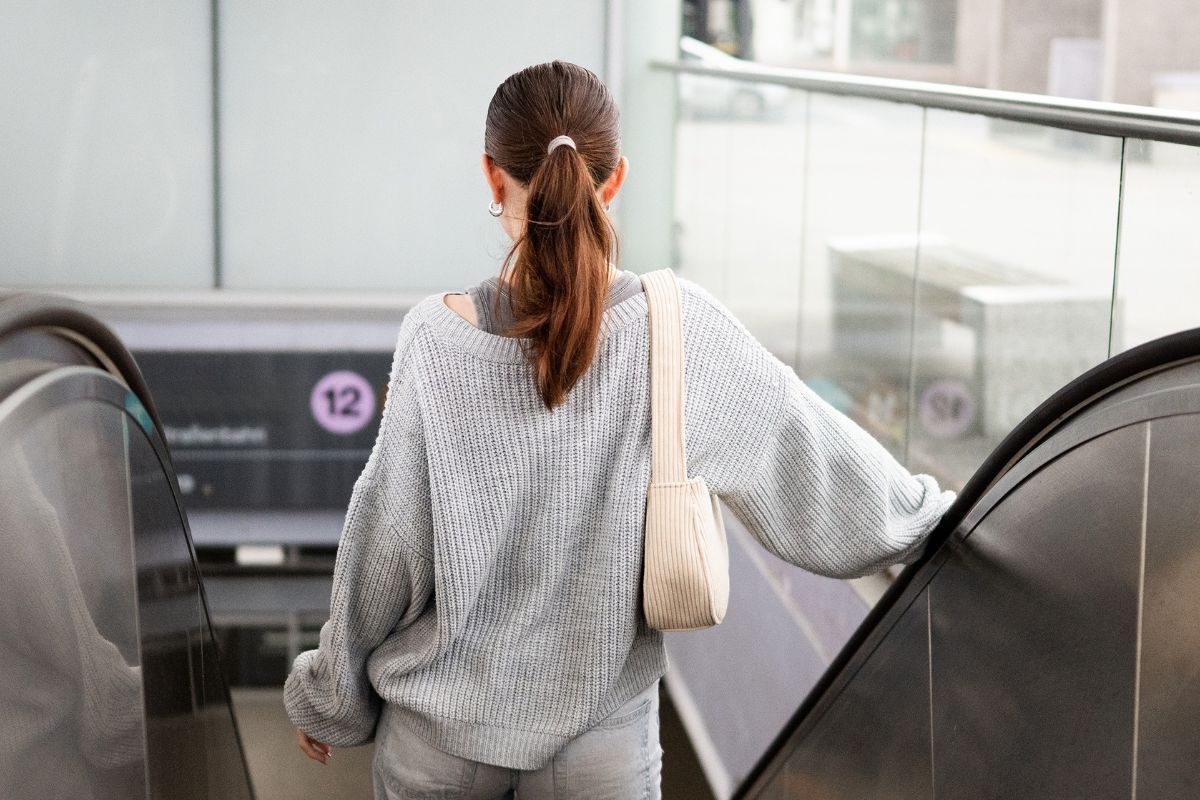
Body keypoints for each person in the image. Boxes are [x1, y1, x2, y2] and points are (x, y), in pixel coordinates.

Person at [284, 60, 955, 800]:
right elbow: (812, 461)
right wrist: (945, 518)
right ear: (614, 179)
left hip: (438, 744)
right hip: (598, 749)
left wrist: (333, 696)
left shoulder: (433, 341)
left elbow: (383, 540)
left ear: (491, 174)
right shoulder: (677, 329)